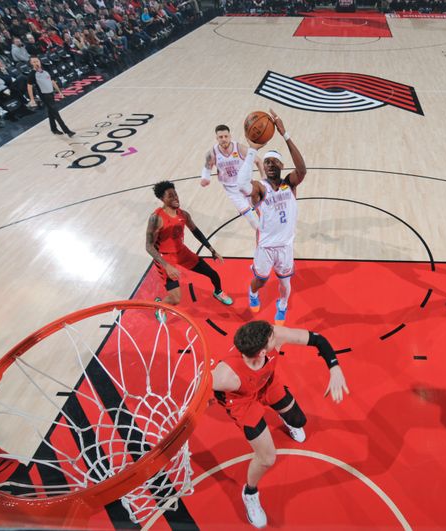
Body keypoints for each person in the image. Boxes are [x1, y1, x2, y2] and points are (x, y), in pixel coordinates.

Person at [210, 320, 349, 528]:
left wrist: (335, 367)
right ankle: (250, 492)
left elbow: (318, 340)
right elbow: (201, 392)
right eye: (272, 338)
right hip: (242, 402)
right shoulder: (224, 376)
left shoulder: (274, 335)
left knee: (299, 420)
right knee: (267, 458)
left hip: (267, 382)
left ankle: (283, 415)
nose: (277, 335)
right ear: (260, 353)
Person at [235, 109, 306, 325]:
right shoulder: (260, 188)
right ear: (263, 167)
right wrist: (252, 151)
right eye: (267, 162)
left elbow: (302, 169)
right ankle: (253, 293)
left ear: (282, 166)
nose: (271, 164)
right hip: (265, 247)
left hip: (285, 246)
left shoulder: (290, 184)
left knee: (285, 284)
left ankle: (282, 306)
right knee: (261, 281)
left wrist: (285, 134)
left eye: (275, 161)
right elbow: (241, 185)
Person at [146, 181, 233, 310]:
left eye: (175, 194)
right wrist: (167, 266)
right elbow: (149, 246)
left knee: (213, 273)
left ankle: (218, 292)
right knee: (175, 299)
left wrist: (212, 250)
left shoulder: (183, 214)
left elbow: (196, 232)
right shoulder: (156, 218)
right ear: (162, 199)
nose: (175, 198)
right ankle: (159, 306)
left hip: (182, 252)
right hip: (165, 258)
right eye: (170, 196)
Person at [200, 124, 263, 229]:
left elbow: (258, 160)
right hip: (231, 190)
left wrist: (264, 178)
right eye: (221, 137)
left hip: (247, 184)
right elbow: (207, 166)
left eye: (226, 136)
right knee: (251, 218)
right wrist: (205, 178)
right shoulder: (212, 153)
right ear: (217, 138)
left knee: (261, 210)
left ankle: (271, 230)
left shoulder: (239, 148)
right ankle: (263, 237)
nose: (224, 139)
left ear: (230, 136)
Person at [26, 56, 75, 136]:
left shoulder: (45, 71)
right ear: (31, 64)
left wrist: (59, 92)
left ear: (40, 61)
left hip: (51, 94)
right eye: (34, 62)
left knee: (51, 112)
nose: (36, 63)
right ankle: (67, 131)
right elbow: (29, 86)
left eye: (37, 61)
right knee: (56, 113)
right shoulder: (32, 74)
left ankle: (53, 129)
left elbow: (52, 81)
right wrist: (32, 99)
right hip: (44, 96)